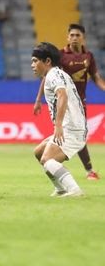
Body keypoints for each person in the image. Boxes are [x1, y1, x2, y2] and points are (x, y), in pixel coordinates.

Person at [34, 24, 105, 180]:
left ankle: (83, 171)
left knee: (77, 134)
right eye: (71, 35)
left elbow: (96, 78)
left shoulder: (89, 56)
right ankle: (85, 171)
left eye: (77, 35)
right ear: (67, 37)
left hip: (80, 103)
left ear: (83, 38)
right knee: (75, 135)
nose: (74, 38)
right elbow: (47, 76)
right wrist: (38, 99)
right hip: (64, 101)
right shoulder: (60, 56)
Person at [31, 42, 86, 197]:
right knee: (39, 152)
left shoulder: (54, 75)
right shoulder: (54, 73)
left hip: (72, 128)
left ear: (47, 61)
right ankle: (60, 188)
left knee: (48, 159)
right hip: (73, 126)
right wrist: (38, 100)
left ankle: (75, 190)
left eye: (35, 61)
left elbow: (62, 95)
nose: (32, 65)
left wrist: (58, 125)